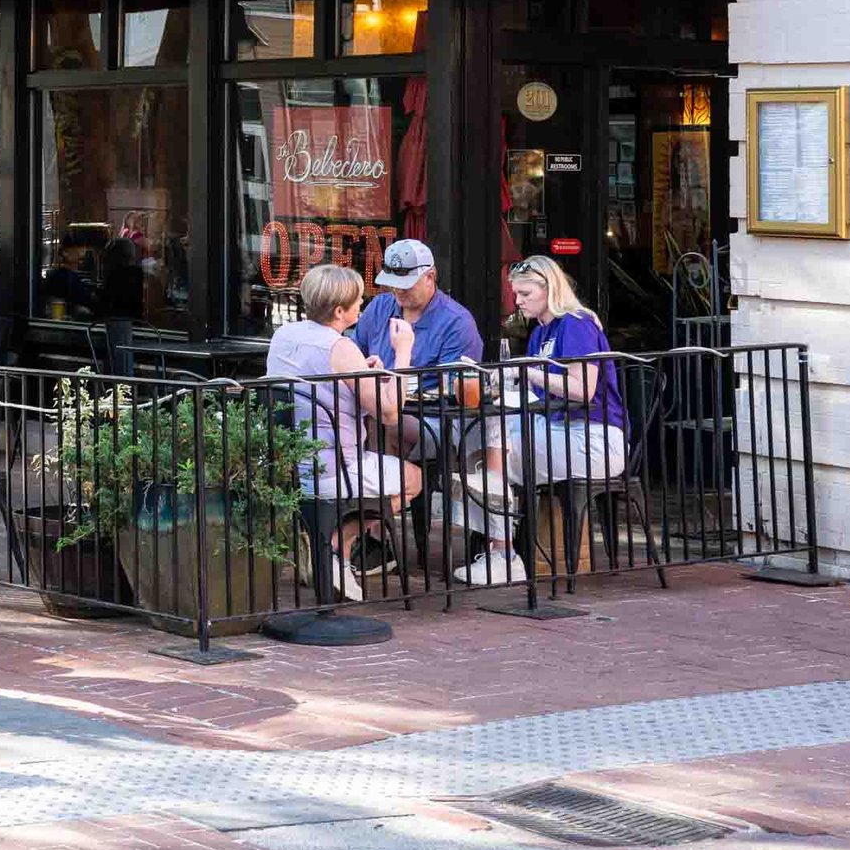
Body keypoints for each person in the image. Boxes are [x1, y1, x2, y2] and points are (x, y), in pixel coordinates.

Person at [451, 255, 630, 587]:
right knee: (474, 442)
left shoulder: (576, 323)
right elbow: (537, 395)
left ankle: (504, 555)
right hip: (557, 429)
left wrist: (527, 372)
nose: (518, 302)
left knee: (490, 451)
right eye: (516, 294)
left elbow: (582, 389)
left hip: (592, 437)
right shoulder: (539, 333)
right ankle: (501, 550)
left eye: (525, 293)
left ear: (550, 288)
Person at [266, 263, 422, 601]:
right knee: (414, 478)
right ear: (339, 311)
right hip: (336, 470)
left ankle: (330, 549)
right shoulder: (340, 347)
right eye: (358, 300)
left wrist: (362, 371)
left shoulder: (284, 335)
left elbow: (321, 383)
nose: (362, 305)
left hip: (292, 465)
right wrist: (404, 352)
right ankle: (337, 545)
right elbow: (389, 413)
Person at [353, 238, 484, 458]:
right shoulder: (379, 306)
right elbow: (355, 353)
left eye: (406, 284)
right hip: (381, 405)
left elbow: (455, 391)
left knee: (391, 423)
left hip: (435, 417)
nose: (398, 290)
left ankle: (388, 478)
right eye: (393, 283)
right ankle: (373, 475)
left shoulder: (456, 321)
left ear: (430, 277)